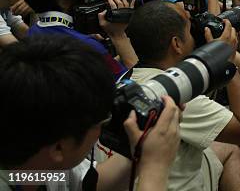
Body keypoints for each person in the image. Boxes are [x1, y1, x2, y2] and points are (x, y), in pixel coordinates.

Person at [126, 1, 240, 191]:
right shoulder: (175, 98)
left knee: (228, 148)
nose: (197, 34)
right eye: (191, 29)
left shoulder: (129, 82)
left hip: (153, 177)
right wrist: (226, 61)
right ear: (176, 44)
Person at [0, 36, 181, 191]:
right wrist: (155, 169)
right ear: (58, 148)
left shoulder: (33, 166)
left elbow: (90, 184)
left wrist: (138, 148)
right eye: (103, 120)